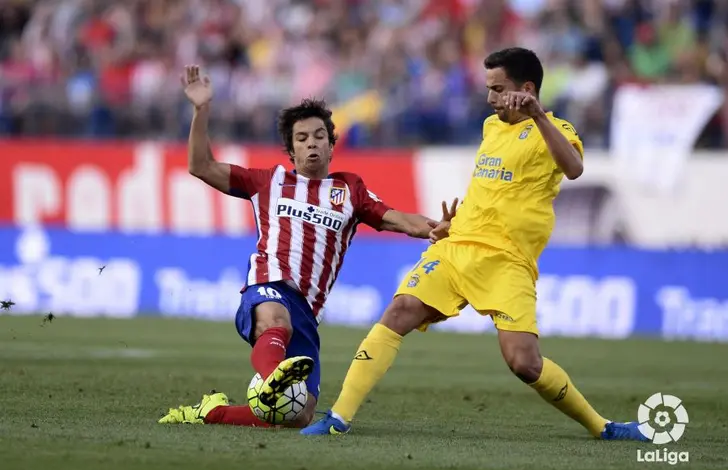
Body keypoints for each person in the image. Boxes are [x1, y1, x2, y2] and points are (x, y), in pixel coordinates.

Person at [302, 48, 648, 442]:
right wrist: (452, 223)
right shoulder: (491, 127)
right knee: (399, 311)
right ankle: (340, 417)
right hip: (457, 246)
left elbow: (574, 168)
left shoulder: (556, 130)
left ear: (527, 89)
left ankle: (601, 427)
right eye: (488, 89)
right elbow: (491, 190)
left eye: (498, 89)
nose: (490, 98)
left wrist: (537, 114)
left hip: (507, 262)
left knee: (524, 363)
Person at [158, 65, 452, 428]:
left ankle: (212, 412)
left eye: (318, 136)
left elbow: (400, 219)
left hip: (307, 312)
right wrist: (201, 111)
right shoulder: (267, 182)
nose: (311, 143)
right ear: (291, 150)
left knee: (298, 414)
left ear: (331, 144)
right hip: (268, 287)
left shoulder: (350, 191)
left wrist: (435, 228)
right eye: (302, 138)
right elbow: (200, 165)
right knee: (274, 322)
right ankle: (271, 377)